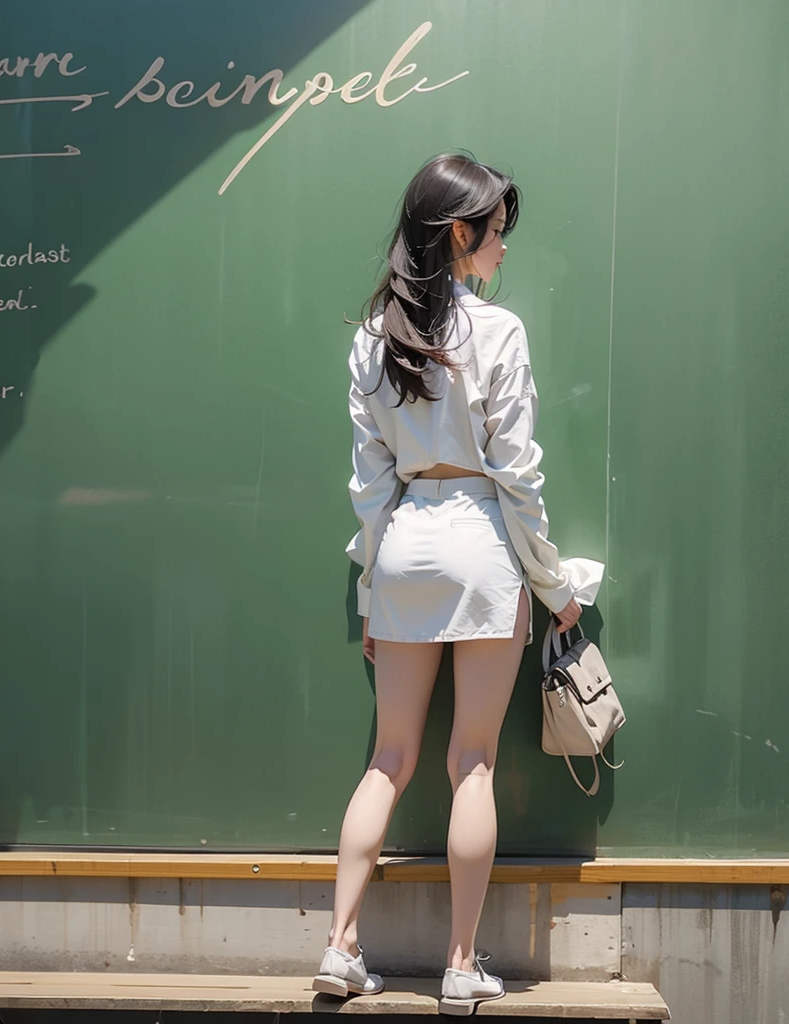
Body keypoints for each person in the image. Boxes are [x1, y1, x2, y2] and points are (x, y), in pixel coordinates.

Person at [311, 153, 603, 1015]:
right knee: (471, 762)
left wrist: (371, 593)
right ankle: (460, 964)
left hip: (404, 544)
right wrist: (553, 585)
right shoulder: (500, 334)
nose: (504, 249)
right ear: (459, 234)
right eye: (496, 232)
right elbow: (519, 479)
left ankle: (339, 946)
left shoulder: (372, 338)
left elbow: (368, 486)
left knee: (388, 759)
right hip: (480, 544)